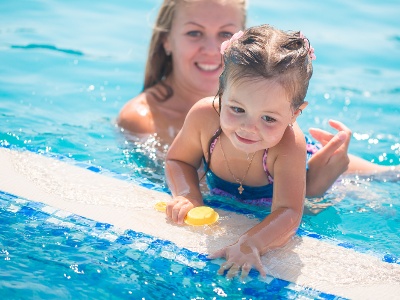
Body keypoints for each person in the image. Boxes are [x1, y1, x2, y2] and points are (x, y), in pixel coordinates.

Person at [117, 0, 391, 198]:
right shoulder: (144, 118)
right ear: (167, 40)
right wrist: (313, 191)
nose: (213, 49)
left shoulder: (263, 107)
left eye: (224, 33)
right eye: (194, 33)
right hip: (289, 183)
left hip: (299, 169)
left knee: (385, 180)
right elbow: (201, 187)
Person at [165, 25, 317, 278]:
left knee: (318, 182)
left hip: (303, 163)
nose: (249, 128)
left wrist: (251, 243)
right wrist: (187, 194)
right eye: (237, 109)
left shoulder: (289, 144)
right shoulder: (204, 116)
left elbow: (289, 211)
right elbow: (178, 159)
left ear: (294, 114)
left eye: (268, 118)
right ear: (222, 94)